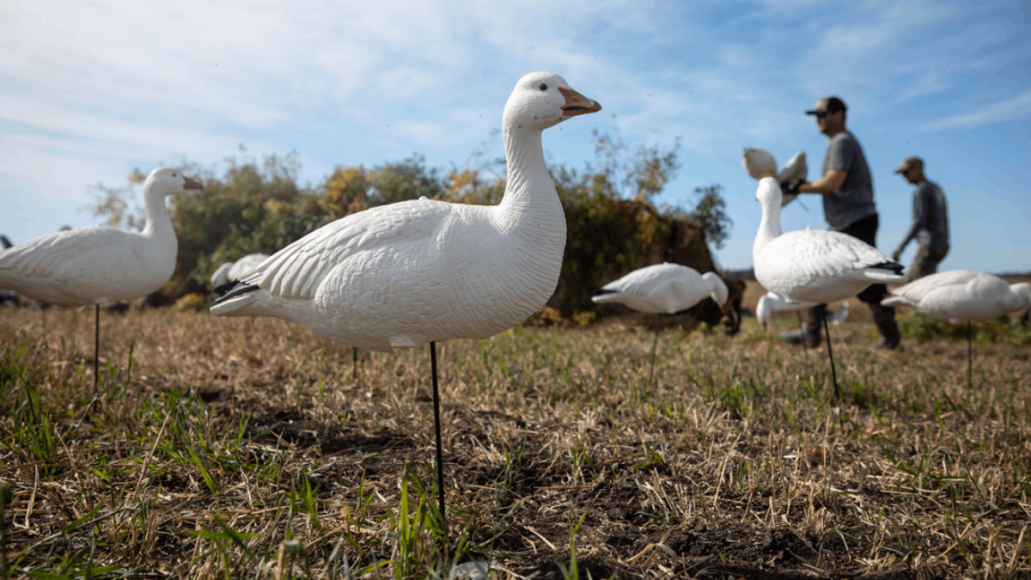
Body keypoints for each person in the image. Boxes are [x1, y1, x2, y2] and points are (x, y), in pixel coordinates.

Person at [780, 96, 901, 350]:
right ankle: (811, 333)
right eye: (815, 115)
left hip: (854, 221)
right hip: (848, 222)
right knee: (820, 274)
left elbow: (834, 182)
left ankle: (890, 337)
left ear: (840, 114)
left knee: (867, 279)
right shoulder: (839, 143)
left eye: (823, 113)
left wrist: (798, 187)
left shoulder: (842, 142)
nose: (818, 119)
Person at [891, 157, 949, 282]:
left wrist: (902, 246)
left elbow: (919, 221)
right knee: (927, 283)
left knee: (912, 285)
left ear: (918, 169)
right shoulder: (935, 188)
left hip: (930, 245)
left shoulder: (921, 189)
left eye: (906, 172)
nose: (904, 176)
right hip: (942, 244)